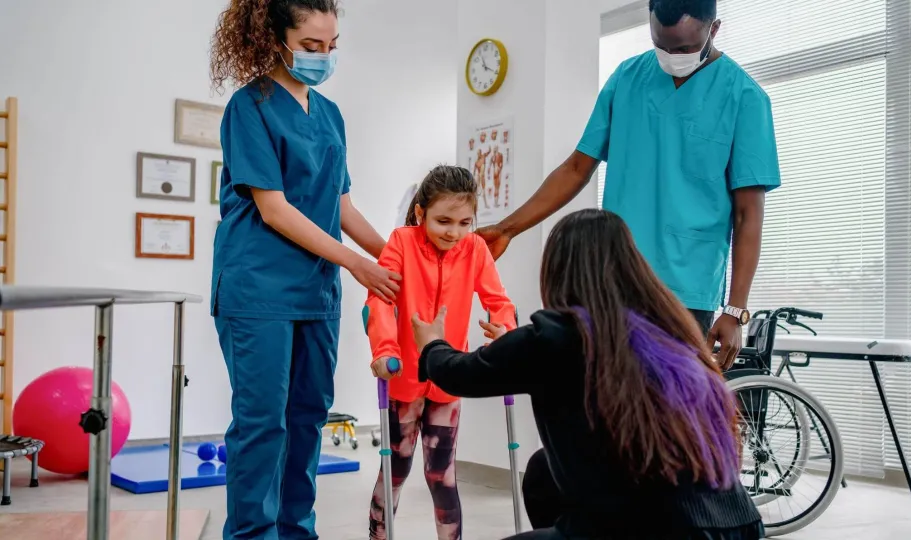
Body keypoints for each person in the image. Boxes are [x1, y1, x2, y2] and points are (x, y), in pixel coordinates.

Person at [412, 209, 763, 540]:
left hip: (663, 530)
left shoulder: (557, 334)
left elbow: (458, 374)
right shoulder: (664, 331)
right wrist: (514, 346)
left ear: (558, 269)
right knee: (543, 471)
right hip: (737, 525)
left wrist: (432, 344)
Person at [476, 0, 781, 370]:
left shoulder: (745, 98)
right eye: (661, 45)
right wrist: (508, 228)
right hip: (612, 279)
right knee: (605, 405)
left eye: (684, 48)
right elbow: (576, 168)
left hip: (685, 291)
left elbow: (749, 214)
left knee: (670, 415)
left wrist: (735, 310)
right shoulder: (627, 79)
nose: (671, 56)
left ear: (713, 30)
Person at [209, 1, 401, 538]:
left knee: (308, 419)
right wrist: (357, 264)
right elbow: (274, 208)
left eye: (331, 46)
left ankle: (298, 531)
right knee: (261, 425)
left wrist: (397, 257)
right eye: (311, 47)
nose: (323, 56)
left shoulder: (331, 114)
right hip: (258, 287)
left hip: (315, 292)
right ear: (275, 39)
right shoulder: (250, 107)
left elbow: (339, 205)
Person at [364, 165, 518, 540]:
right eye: (443, 221)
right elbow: (379, 301)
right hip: (403, 376)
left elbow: (499, 301)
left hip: (448, 376)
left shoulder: (475, 248)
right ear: (421, 213)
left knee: (442, 475)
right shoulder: (400, 242)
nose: (454, 232)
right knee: (395, 471)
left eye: (465, 222)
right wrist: (384, 350)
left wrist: (505, 333)